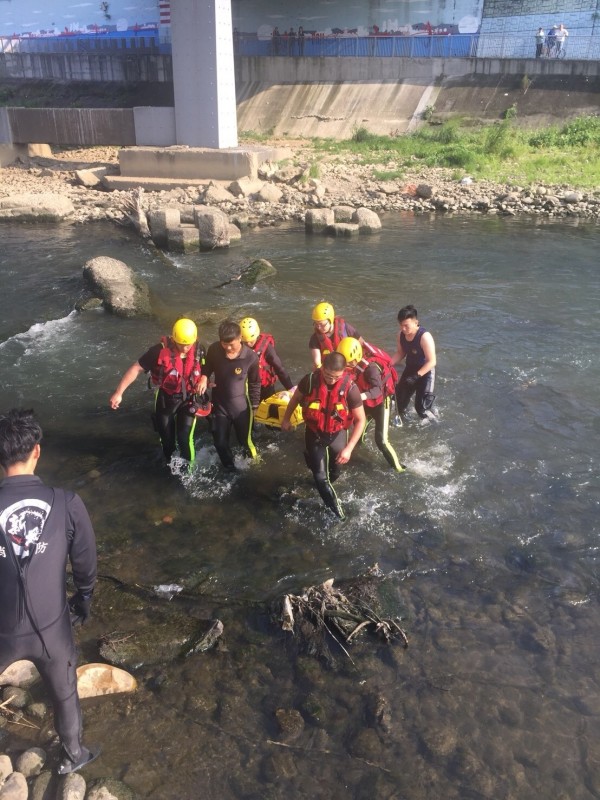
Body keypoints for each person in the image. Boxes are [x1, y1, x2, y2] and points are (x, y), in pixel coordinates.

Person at [0, 409, 99, 775]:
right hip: (52, 628)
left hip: (2, 628)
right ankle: (73, 755)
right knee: (64, 692)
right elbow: (86, 564)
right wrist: (84, 601)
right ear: (37, 451)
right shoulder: (66, 502)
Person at [281, 352, 365, 519]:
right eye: (328, 375)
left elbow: (360, 420)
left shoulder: (350, 388)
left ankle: (322, 483)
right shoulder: (310, 380)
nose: (331, 380)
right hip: (314, 433)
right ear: (322, 369)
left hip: (337, 433)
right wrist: (286, 419)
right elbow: (295, 399)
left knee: (335, 472)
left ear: (344, 372)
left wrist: (349, 449)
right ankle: (339, 516)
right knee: (320, 477)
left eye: (336, 377)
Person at [109, 318, 205, 465]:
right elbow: (136, 368)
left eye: (188, 344)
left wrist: (204, 378)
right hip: (166, 398)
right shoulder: (158, 351)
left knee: (184, 437)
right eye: (181, 344)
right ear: (173, 339)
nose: (185, 348)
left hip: (189, 399)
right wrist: (119, 392)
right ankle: (170, 465)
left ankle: (189, 470)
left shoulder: (200, 349)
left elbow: (206, 368)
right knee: (167, 440)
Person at [198, 321, 261, 472]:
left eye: (231, 344)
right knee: (219, 443)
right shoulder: (214, 349)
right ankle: (230, 469)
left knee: (245, 442)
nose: (227, 347)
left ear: (240, 338)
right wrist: (204, 377)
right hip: (220, 405)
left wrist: (255, 406)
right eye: (224, 344)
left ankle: (256, 470)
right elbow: (207, 368)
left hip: (241, 409)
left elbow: (255, 383)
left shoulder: (250, 357)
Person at [337, 337, 405, 472]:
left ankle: (399, 468)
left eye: (347, 363)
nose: (344, 366)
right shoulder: (354, 363)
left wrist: (358, 397)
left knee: (381, 441)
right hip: (366, 400)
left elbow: (377, 390)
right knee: (358, 428)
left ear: (355, 359)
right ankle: (356, 452)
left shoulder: (371, 369)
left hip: (381, 403)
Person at [392, 305, 437, 422]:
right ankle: (406, 422)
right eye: (401, 325)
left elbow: (432, 361)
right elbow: (400, 353)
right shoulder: (400, 335)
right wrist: (388, 364)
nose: (403, 329)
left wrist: (417, 376)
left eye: (406, 325)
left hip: (426, 372)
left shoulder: (424, 337)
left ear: (416, 322)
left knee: (421, 408)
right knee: (399, 404)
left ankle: (434, 424)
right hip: (410, 369)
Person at [239, 317, 294, 401]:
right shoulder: (237, 345)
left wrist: (290, 388)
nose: (248, 344)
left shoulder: (267, 348)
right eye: (245, 342)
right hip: (247, 387)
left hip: (265, 387)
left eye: (251, 341)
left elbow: (279, 368)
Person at [309, 302, 363, 369]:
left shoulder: (346, 329)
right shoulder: (315, 338)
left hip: (350, 367)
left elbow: (362, 344)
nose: (319, 327)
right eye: (316, 324)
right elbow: (317, 362)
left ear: (331, 320)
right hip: (331, 371)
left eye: (322, 324)